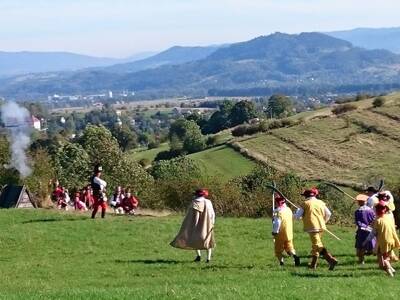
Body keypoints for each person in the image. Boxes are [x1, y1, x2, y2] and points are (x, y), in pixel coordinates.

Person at [295, 189, 338, 270]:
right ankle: (313, 264)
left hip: (312, 227)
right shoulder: (320, 202)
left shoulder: (305, 203)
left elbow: (297, 216)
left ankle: (330, 260)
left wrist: (297, 211)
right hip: (321, 226)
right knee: (316, 245)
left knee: (317, 245)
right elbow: (328, 214)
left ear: (306, 196)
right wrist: (323, 221)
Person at [170, 189, 215, 263]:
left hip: (195, 224)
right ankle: (208, 259)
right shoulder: (208, 202)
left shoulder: (193, 203)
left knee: (194, 239)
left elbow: (189, 215)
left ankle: (198, 256)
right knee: (207, 240)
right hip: (207, 224)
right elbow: (212, 213)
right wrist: (213, 222)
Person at [364, 200, 400, 277]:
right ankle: (391, 269)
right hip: (391, 241)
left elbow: (373, 233)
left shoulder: (378, 220)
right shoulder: (389, 218)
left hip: (383, 242)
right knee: (386, 256)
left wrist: (366, 241)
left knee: (384, 258)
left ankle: (390, 272)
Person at [272, 193, 300, 266]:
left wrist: (275, 232)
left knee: (278, 250)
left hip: (280, 234)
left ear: (277, 203)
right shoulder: (288, 210)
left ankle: (281, 263)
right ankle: (295, 256)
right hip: (289, 233)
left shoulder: (277, 211)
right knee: (289, 247)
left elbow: (277, 223)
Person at [354, 194, 376, 264]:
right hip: (370, 230)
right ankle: (365, 256)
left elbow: (358, 222)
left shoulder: (357, 211)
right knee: (368, 246)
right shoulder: (371, 211)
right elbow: (374, 220)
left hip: (361, 231)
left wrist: (363, 226)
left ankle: (361, 260)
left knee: (360, 247)